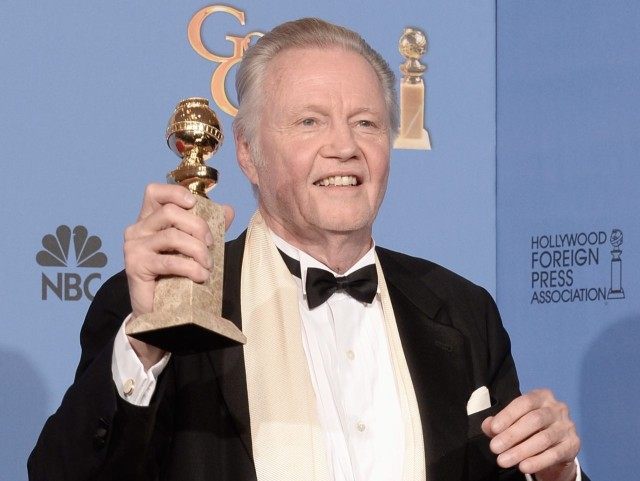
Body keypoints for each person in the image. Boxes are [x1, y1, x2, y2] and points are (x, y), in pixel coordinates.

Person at [29, 18, 587, 481]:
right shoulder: (171, 301)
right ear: (247, 152)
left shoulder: (465, 312)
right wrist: (145, 346)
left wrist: (558, 475)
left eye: (365, 122)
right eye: (309, 122)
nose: (343, 147)